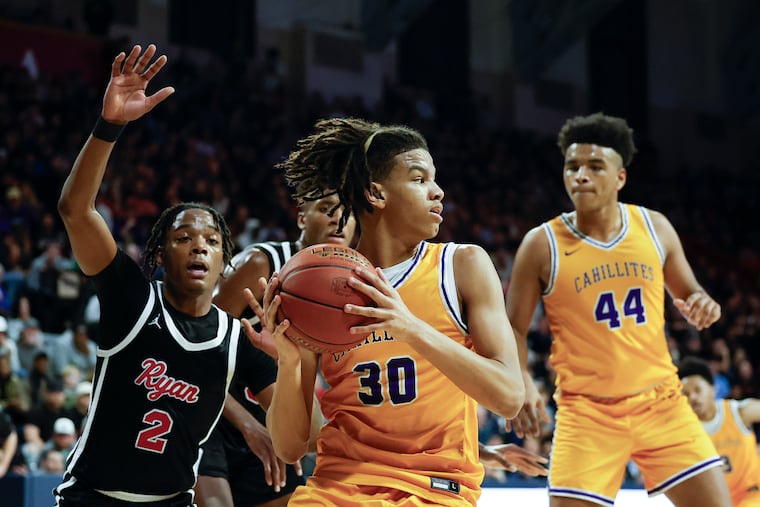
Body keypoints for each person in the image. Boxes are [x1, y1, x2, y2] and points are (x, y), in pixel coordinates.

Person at [52, 43, 295, 507]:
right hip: (92, 498)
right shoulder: (132, 298)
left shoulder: (235, 336)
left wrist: (296, 364)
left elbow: (303, 435)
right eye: (183, 238)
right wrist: (110, 126)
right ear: (160, 255)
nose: (199, 245)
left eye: (211, 240)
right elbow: (74, 210)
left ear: (225, 261)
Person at [261, 117, 526, 506]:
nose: (438, 192)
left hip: (435, 487)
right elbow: (290, 448)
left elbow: (508, 397)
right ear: (376, 193)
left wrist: (410, 328)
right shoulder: (319, 286)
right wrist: (287, 362)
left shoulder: (462, 266)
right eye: (420, 180)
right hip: (339, 487)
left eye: (435, 180)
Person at [505, 112, 731, 506]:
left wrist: (703, 304)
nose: (580, 176)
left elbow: (691, 291)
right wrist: (523, 379)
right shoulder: (541, 244)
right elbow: (514, 329)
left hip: (661, 404)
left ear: (620, 177)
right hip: (587, 414)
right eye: (572, 166)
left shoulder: (654, 227)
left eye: (595, 166)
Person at [196, 194, 357, 507]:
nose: (338, 219)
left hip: (263, 410)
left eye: (347, 213)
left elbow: (308, 437)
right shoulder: (261, 263)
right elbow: (192, 349)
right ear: (301, 218)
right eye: (327, 209)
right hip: (207, 405)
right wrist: (247, 425)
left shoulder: (347, 282)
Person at [679, 356, 760, 507]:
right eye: (686, 394)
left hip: (752, 495)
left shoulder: (738, 412)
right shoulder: (684, 432)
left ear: (712, 389)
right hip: (716, 502)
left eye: (697, 390)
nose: (693, 397)